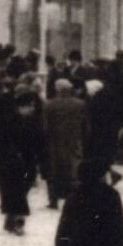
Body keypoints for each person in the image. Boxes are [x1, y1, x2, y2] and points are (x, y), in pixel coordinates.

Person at [0, 88, 46, 235]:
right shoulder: (9, 121)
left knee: (19, 192)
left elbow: (40, 143)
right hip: (11, 162)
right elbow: (0, 141)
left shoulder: (34, 122)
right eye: (29, 106)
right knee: (15, 192)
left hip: (27, 163)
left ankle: (11, 218)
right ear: (20, 107)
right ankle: (18, 220)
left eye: (33, 106)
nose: (32, 108)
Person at [43, 78, 88, 210]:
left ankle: (54, 200)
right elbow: (85, 125)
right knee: (74, 169)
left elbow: (45, 126)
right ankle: (75, 199)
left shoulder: (49, 104)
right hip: (75, 141)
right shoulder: (80, 104)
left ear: (57, 89)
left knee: (54, 170)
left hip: (54, 142)